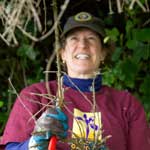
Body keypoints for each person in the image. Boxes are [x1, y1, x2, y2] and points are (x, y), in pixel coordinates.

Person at [0, 11, 149, 150]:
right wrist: (34, 143)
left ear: (103, 53)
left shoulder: (126, 104)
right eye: (74, 39)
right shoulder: (35, 95)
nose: (83, 45)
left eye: (91, 38)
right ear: (62, 53)